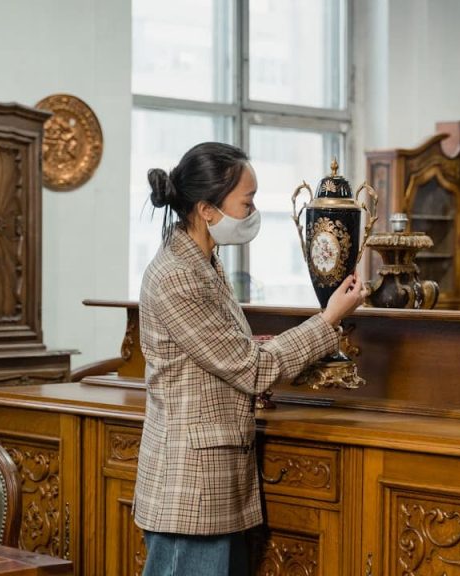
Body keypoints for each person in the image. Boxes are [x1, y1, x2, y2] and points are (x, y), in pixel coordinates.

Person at [133, 142, 363, 576]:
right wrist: (329, 318)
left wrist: (245, 342)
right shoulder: (179, 275)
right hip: (192, 486)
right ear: (207, 209)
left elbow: (216, 352)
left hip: (210, 481)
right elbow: (254, 371)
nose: (253, 211)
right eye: (248, 201)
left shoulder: (204, 262)